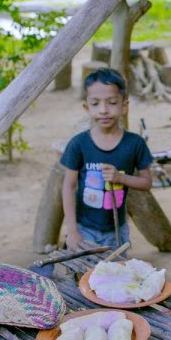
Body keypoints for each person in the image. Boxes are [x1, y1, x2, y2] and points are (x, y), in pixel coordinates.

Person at [61, 68, 153, 252]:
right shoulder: (78, 144)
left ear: (124, 106)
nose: (103, 110)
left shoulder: (135, 144)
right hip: (84, 229)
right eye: (95, 104)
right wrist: (71, 230)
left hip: (117, 231)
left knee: (115, 276)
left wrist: (121, 178)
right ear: (87, 107)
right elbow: (68, 186)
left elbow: (147, 183)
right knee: (83, 277)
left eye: (112, 103)